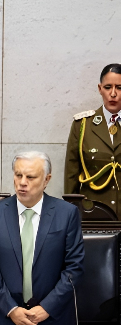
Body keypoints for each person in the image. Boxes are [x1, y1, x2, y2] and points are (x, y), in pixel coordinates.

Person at [0, 152, 84, 325]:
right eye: (18, 175)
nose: (22, 182)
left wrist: (47, 308)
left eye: (30, 177)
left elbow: (74, 267)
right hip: (6, 320)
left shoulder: (67, 213)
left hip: (53, 320)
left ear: (46, 180)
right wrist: (11, 309)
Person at [65, 63, 121, 213]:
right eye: (108, 87)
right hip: (93, 213)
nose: (113, 93)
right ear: (100, 89)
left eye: (119, 88)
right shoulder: (82, 125)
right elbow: (71, 176)